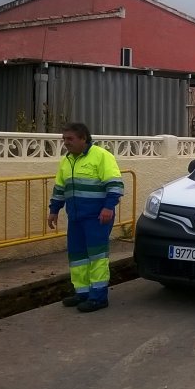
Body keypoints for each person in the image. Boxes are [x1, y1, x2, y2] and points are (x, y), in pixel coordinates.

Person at [48, 123, 124, 313]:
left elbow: (115, 184)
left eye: (70, 139)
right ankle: (82, 293)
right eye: (64, 139)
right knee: (77, 256)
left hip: (97, 217)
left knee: (97, 257)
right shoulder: (67, 161)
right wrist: (54, 210)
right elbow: (60, 188)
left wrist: (108, 207)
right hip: (75, 217)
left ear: (83, 138)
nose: (66, 143)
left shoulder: (101, 156)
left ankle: (98, 297)